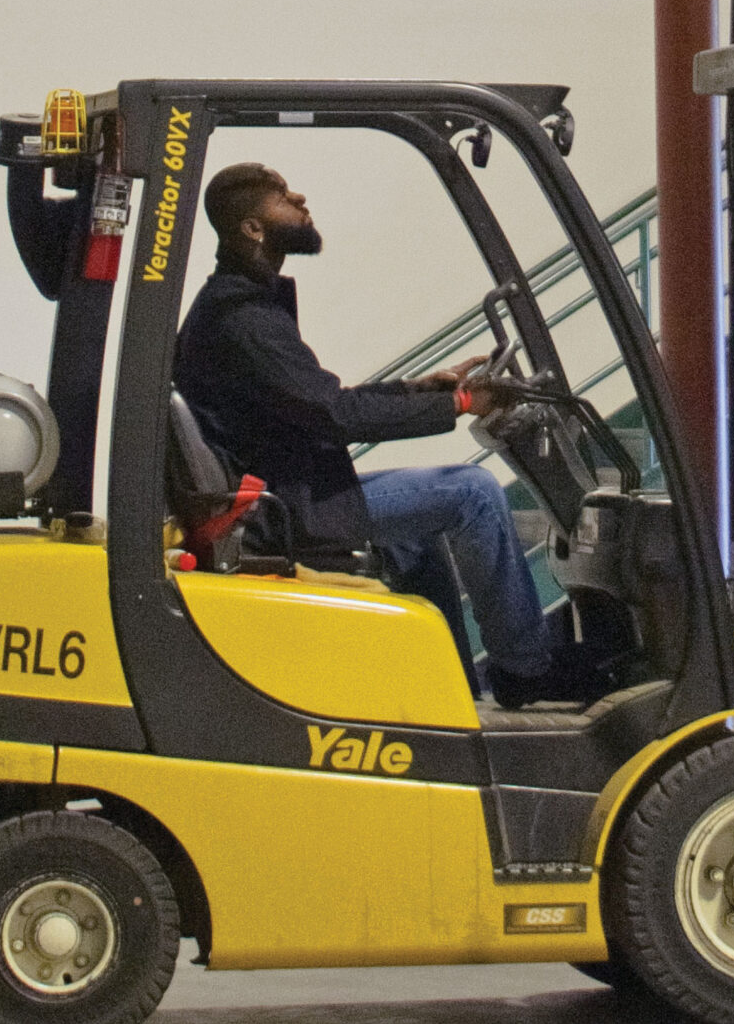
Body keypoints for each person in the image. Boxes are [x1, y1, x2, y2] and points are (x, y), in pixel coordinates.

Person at [172, 162, 600, 709]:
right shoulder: (242, 318)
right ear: (253, 229)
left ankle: (449, 689)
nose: (299, 197)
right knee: (473, 494)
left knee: (416, 531)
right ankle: (527, 671)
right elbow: (335, 415)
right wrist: (458, 404)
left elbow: (317, 400)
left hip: (292, 490)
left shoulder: (244, 306)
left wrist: (419, 389)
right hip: (282, 510)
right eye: (282, 196)